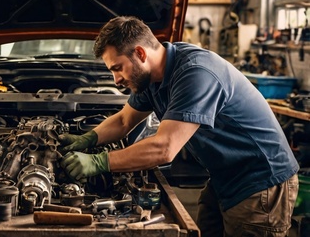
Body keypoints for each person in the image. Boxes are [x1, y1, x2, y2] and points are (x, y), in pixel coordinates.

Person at [59, 16, 299, 236]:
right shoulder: (152, 78)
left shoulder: (195, 73)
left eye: (117, 68)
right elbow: (124, 120)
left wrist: (99, 162)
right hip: (225, 177)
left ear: (140, 53)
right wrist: (88, 138)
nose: (116, 80)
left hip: (261, 182)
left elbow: (164, 148)